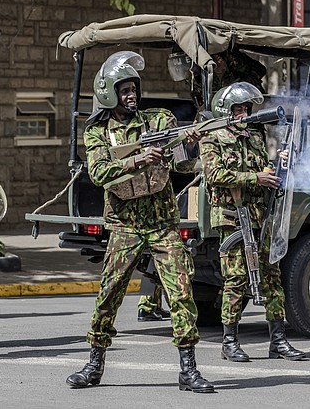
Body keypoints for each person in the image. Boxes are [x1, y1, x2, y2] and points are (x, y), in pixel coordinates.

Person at [66, 51, 214, 393]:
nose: (132, 95)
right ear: (108, 93)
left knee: (180, 293)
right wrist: (138, 159)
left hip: (163, 223)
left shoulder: (159, 121)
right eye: (124, 90)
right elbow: (101, 172)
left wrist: (190, 147)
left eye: (134, 88)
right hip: (125, 226)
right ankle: (94, 363)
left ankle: (188, 368)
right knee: (110, 294)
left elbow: (180, 166)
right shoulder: (98, 132)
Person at [199, 82, 305, 362]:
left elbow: (260, 170)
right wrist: (255, 178)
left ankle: (278, 341)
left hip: (259, 216)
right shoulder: (213, 137)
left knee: (271, 276)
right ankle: (230, 341)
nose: (244, 114)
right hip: (232, 216)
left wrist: (274, 164)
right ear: (225, 109)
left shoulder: (254, 137)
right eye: (239, 109)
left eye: (247, 109)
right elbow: (215, 174)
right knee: (235, 279)